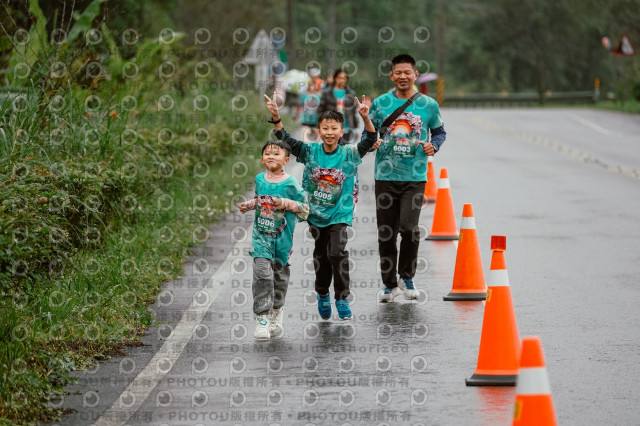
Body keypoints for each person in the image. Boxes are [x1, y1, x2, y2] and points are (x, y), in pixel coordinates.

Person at [264, 90, 379, 320]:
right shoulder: (311, 151)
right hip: (316, 214)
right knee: (322, 256)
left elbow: (369, 141)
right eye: (325, 128)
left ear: (341, 131)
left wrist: (366, 118)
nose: (329, 132)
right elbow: (287, 140)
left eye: (334, 128)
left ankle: (342, 297)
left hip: (340, 214)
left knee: (337, 252)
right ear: (318, 131)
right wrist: (276, 116)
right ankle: (323, 294)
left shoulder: (349, 153)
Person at [367, 54, 446, 302]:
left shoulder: (429, 105)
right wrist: (371, 143)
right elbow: (367, 135)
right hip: (385, 177)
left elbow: (440, 132)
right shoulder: (380, 104)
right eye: (397, 73)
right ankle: (389, 285)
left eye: (407, 72)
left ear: (415, 75)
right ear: (391, 76)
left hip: (415, 177)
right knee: (386, 232)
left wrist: (434, 145)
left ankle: (407, 277)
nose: (402, 77)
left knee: (410, 229)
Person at [238, 140, 309, 339]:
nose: (271, 156)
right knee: (262, 275)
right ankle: (261, 318)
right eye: (267, 153)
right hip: (261, 238)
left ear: (286, 160)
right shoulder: (260, 179)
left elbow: (305, 208)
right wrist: (249, 205)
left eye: (276, 154)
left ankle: (276, 311)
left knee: (279, 279)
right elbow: (261, 200)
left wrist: (285, 203)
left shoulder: (290, 183)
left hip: (283, 242)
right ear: (262, 158)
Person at [318, 69, 359, 143]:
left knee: (344, 151)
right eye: (340, 78)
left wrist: (355, 128)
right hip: (330, 128)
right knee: (331, 151)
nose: (342, 80)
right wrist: (320, 126)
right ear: (335, 78)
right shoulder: (327, 93)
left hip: (346, 127)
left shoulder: (351, 93)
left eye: (344, 78)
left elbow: (353, 112)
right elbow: (320, 110)